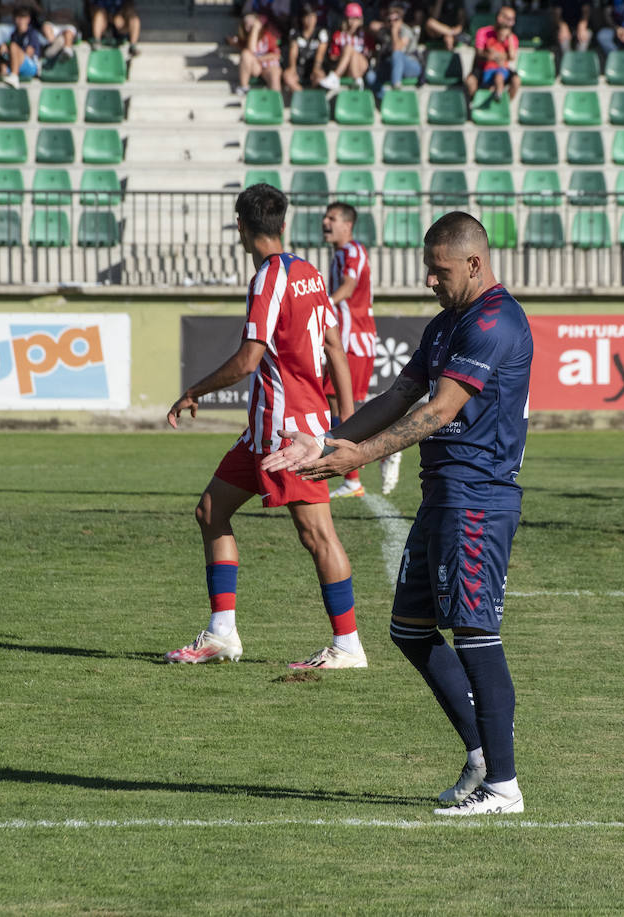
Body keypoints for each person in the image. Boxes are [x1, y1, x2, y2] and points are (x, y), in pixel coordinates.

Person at [262, 211, 533, 816]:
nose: (429, 282)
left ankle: (505, 786)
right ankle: (482, 756)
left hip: (479, 497)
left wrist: (361, 454)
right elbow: (397, 396)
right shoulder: (445, 326)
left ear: (473, 263)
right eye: (426, 270)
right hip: (443, 493)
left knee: (474, 633)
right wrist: (329, 441)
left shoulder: (495, 321)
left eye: (439, 272)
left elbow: (440, 410)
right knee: (409, 629)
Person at [163, 183, 367, 671]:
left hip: (286, 432)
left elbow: (248, 359)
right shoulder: (311, 274)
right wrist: (347, 418)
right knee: (210, 510)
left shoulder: (268, 278)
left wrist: (195, 390)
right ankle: (221, 634)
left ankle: (348, 645)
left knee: (316, 533)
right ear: (282, 223)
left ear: (241, 226)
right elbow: (335, 347)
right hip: (264, 430)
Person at [319, 202, 402, 497]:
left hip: (354, 342)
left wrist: (323, 304)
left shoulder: (353, 250)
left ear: (347, 225)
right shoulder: (339, 254)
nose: (324, 222)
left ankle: (385, 448)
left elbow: (349, 287)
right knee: (337, 404)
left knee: (344, 407)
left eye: (332, 218)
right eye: (325, 217)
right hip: (345, 341)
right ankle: (354, 477)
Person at [463, 3, 518, 102]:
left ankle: (504, 105)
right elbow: (479, 54)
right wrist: (496, 56)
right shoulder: (483, 32)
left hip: (501, 69)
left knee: (516, 80)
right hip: (483, 67)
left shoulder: (512, 38)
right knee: (470, 81)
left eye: (513, 20)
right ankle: (475, 105)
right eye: (509, 19)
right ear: (500, 18)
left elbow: (511, 57)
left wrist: (495, 55)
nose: (512, 23)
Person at [364, 2, 420, 97]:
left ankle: (396, 86)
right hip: (392, 68)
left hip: (411, 66)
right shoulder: (385, 31)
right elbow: (371, 27)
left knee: (396, 54)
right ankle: (386, 99)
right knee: (370, 76)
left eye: (395, 19)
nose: (392, 23)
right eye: (389, 20)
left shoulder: (406, 30)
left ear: (401, 20)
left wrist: (394, 31)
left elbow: (397, 48)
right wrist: (385, 26)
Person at [320, 3, 368, 90]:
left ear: (360, 20)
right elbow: (333, 56)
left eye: (356, 18)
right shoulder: (338, 35)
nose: (353, 22)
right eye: (351, 18)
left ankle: (335, 77)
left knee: (350, 49)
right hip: (346, 69)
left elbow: (368, 55)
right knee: (349, 49)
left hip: (361, 66)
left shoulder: (365, 35)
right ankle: (357, 81)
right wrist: (346, 55)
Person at [282, 4, 328, 91]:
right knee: (287, 76)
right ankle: (302, 96)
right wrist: (292, 67)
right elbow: (293, 52)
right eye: (307, 16)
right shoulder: (295, 33)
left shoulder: (321, 33)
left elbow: (320, 54)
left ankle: (314, 99)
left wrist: (316, 68)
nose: (310, 20)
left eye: (313, 16)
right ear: (302, 18)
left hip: (313, 66)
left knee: (320, 77)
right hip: (299, 67)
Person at [235, 11, 281, 93]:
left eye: (252, 24)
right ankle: (244, 87)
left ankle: (275, 101)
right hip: (255, 67)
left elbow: (276, 54)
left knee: (274, 75)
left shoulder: (268, 35)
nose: (249, 27)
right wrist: (254, 32)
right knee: (245, 54)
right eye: (247, 25)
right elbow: (251, 50)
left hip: (268, 65)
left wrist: (259, 59)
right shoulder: (245, 38)